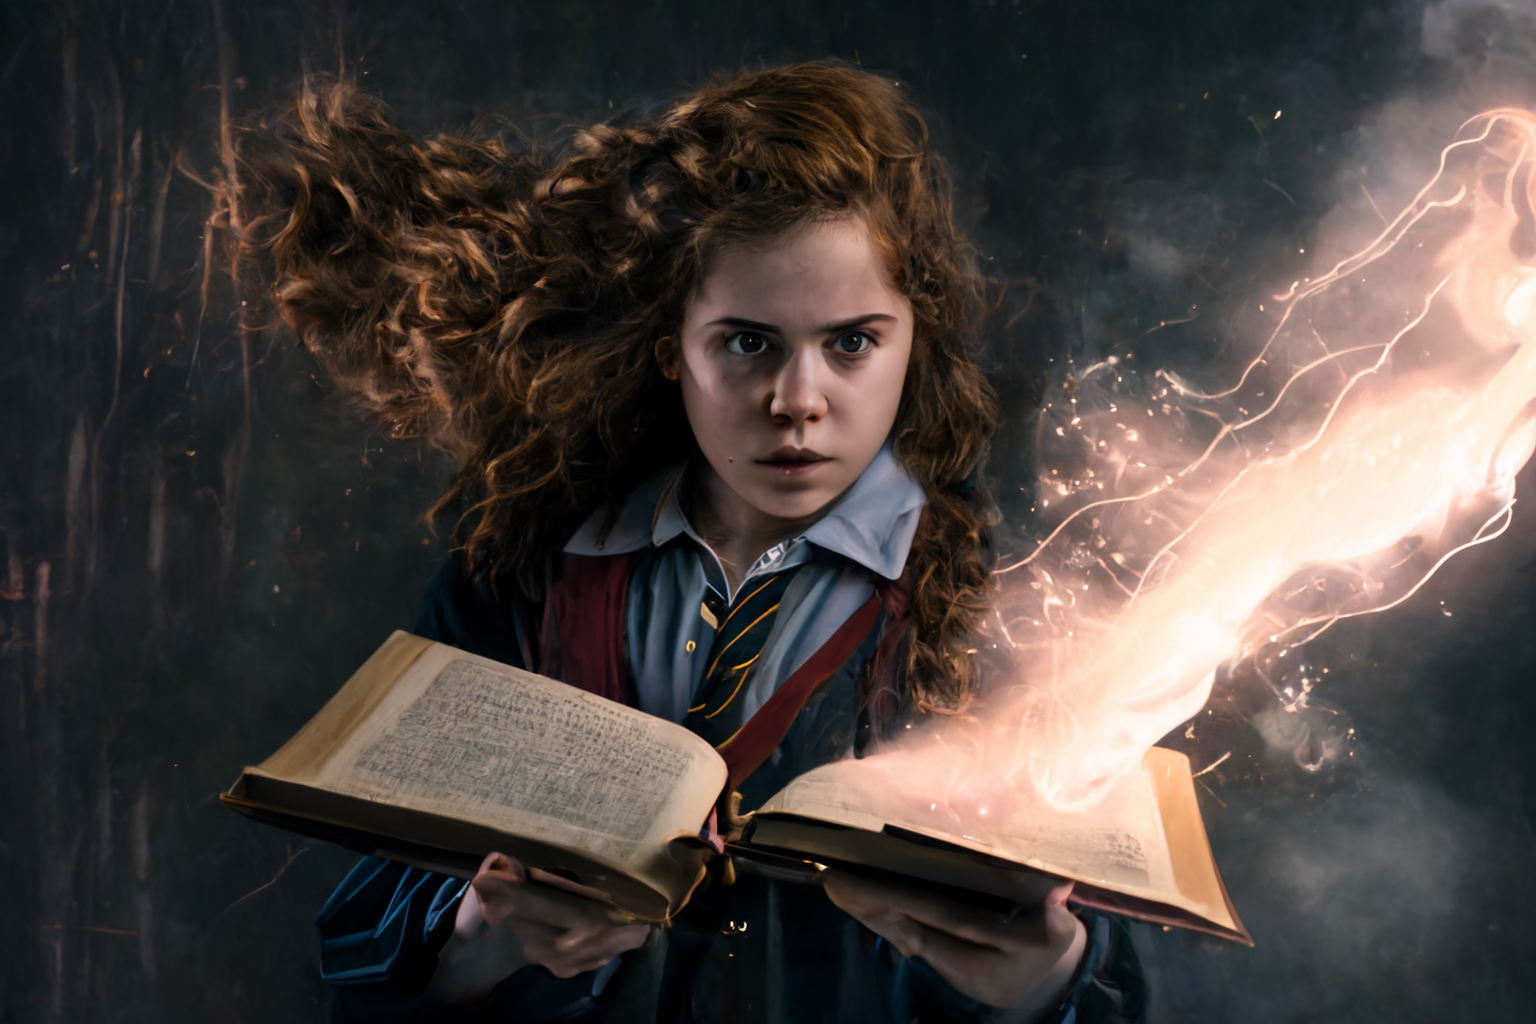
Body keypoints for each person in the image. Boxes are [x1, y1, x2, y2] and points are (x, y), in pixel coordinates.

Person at [237, 61, 1145, 1023]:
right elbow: (366, 960)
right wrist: (479, 941)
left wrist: (1045, 987)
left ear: (913, 338)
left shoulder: (1007, 607)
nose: (798, 402)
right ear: (673, 345)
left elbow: (1113, 968)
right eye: (748, 343)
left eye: (851, 343)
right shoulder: (521, 577)